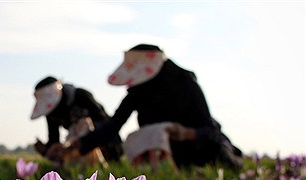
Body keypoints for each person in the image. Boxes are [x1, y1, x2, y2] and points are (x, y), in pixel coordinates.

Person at [48, 44, 243, 169]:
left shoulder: (185, 84)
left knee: (223, 159)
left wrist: (185, 133)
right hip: (170, 155)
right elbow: (113, 126)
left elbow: (209, 129)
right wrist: (77, 145)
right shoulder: (138, 91)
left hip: (202, 147)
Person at [30, 76, 123, 165]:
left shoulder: (81, 95)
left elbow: (103, 124)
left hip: (105, 143)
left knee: (84, 125)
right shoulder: (51, 112)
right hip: (75, 147)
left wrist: (79, 142)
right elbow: (54, 140)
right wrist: (46, 150)